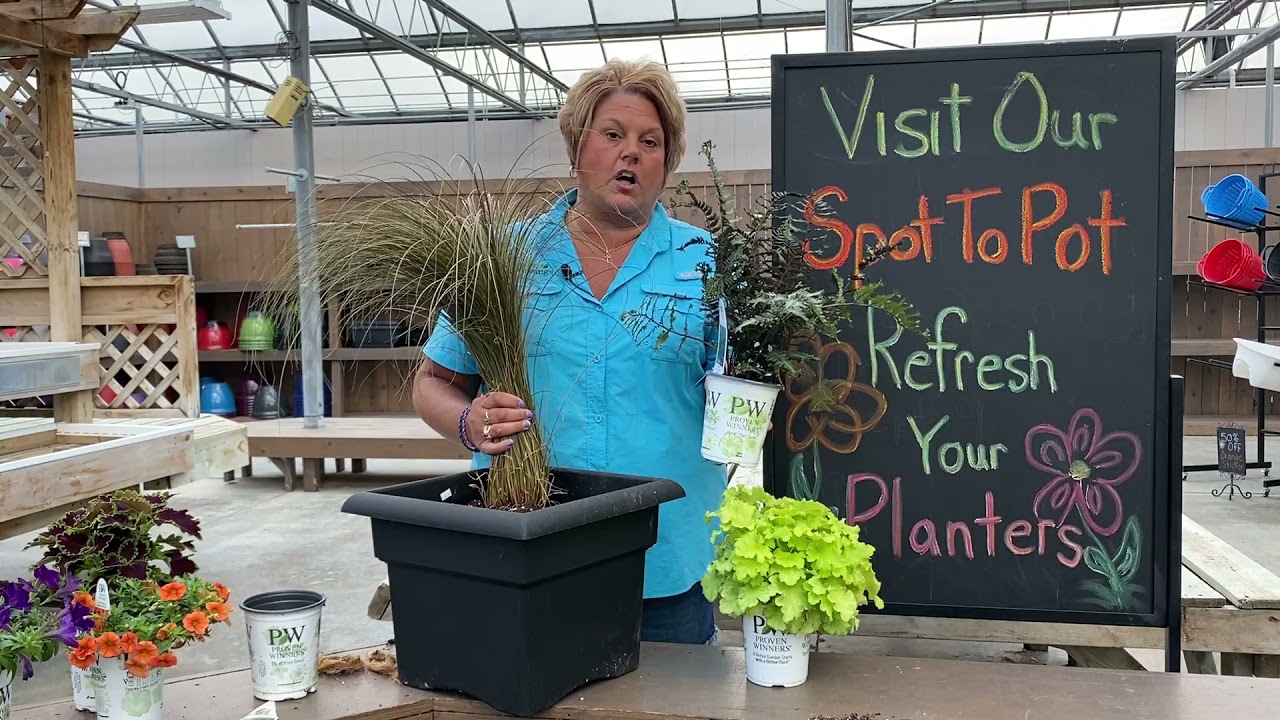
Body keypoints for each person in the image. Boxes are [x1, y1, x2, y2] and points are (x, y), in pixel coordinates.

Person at [412, 59, 726, 645]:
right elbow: (431, 383)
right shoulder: (502, 256)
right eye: (613, 135)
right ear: (578, 147)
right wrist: (467, 419)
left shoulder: (708, 263)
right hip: (529, 541)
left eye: (650, 142)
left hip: (668, 554)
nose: (630, 153)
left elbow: (747, 385)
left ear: (667, 162)